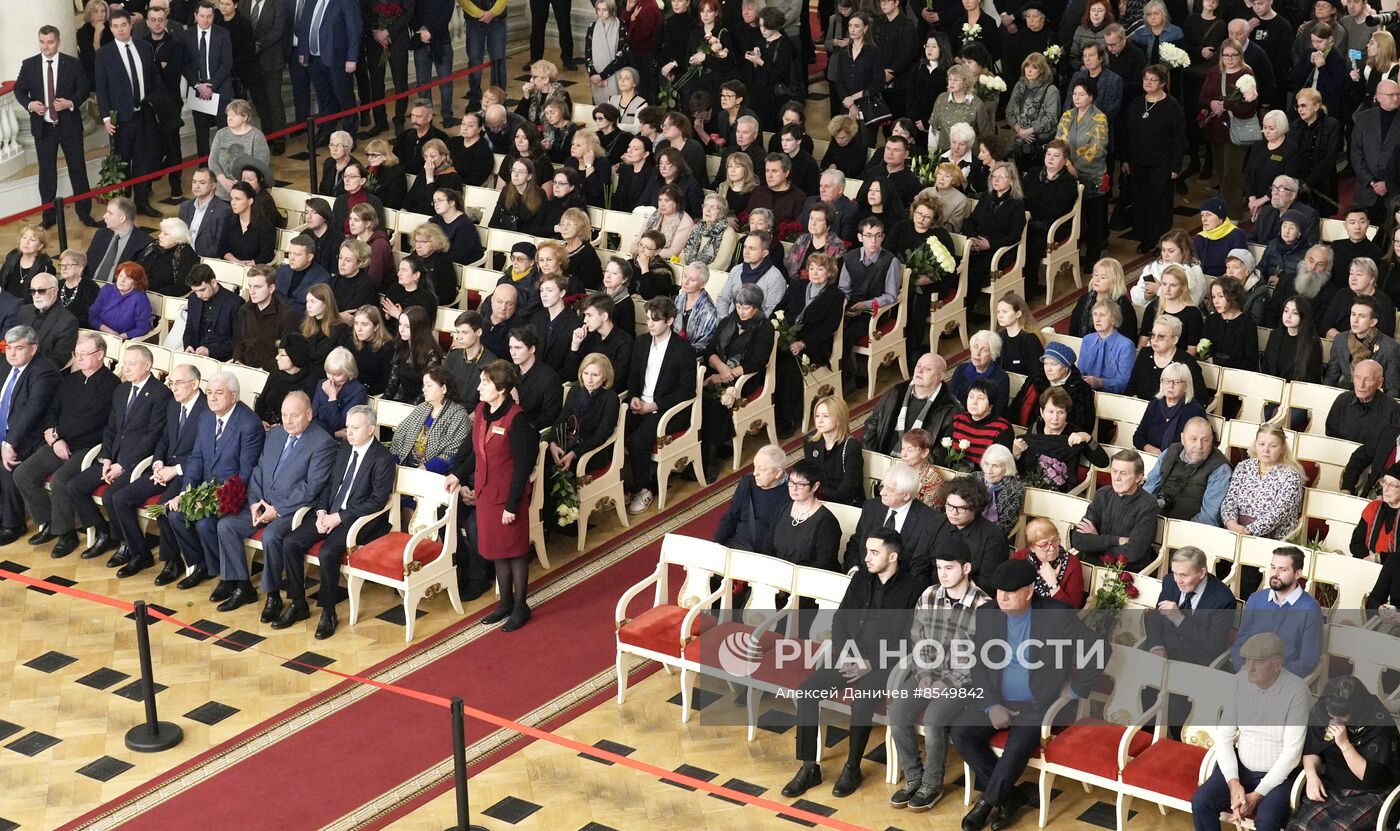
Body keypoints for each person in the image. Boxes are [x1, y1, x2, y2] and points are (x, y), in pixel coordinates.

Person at [952, 558, 1110, 831]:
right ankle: (1010, 797)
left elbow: (1101, 649)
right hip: (998, 698)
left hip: (1037, 704)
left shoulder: (1056, 614)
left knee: (1018, 745)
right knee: (961, 733)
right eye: (1000, 590)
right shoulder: (988, 613)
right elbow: (978, 665)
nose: (1002, 597)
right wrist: (991, 706)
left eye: (1010, 592)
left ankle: (986, 805)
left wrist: (1076, 688)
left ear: (1028, 592)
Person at [780, 527, 921, 800]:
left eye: (874, 552)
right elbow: (841, 619)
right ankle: (809, 766)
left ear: (892, 557)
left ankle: (852, 767)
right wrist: (847, 653)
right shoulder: (860, 580)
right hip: (850, 655)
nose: (866, 558)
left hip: (884, 664)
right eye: (866, 551)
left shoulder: (912, 589)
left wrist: (870, 663)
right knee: (808, 692)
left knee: (862, 701)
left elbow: (909, 642)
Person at [886, 537, 991, 812]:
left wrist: (944, 683)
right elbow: (918, 640)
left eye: (949, 568)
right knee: (897, 712)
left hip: (964, 682)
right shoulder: (929, 595)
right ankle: (914, 778)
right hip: (928, 674)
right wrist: (923, 675)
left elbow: (981, 660)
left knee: (934, 719)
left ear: (966, 568)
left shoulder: (984, 606)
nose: (942, 574)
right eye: (939, 568)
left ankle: (932, 784)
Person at [211, 391, 336, 614]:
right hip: (261, 503)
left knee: (271, 536)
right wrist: (253, 502)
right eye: (284, 415)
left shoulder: (322, 443)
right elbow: (259, 469)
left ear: (309, 414)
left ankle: (273, 596)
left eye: (294, 416)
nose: (287, 421)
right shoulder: (276, 434)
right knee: (226, 525)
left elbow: (312, 487)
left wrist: (277, 510)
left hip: (292, 511)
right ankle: (242, 586)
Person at [447, 360, 538, 631]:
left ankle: (521, 606)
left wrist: (512, 505)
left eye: (485, 383)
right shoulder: (481, 410)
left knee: (516, 552)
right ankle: (505, 603)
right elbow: (477, 454)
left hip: (509, 497)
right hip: (487, 495)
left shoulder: (516, 419)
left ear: (500, 389)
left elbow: (523, 467)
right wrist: (458, 476)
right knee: (499, 551)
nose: (479, 387)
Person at [13, 333, 121, 558]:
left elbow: (93, 420)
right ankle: (49, 522)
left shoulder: (111, 384)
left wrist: (58, 433)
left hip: (89, 446)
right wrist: (55, 438)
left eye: (84, 354)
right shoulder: (71, 379)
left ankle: (67, 533)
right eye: (77, 354)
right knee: (23, 473)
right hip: (58, 443)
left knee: (62, 480)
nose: (79, 358)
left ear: (100, 355)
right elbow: (52, 410)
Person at [1190, 631, 1311, 831]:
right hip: (1242, 767)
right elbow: (1224, 737)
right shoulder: (1240, 681)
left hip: (1279, 776)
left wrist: (1256, 795)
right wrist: (1233, 783)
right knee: (1201, 801)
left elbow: (1292, 754)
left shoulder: (1297, 692)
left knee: (1267, 821)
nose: (1250, 668)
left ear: (1278, 663)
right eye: (1247, 661)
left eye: (1259, 662)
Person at [158, 372, 265, 594]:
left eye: (219, 393)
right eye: (209, 393)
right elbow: (197, 458)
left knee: (205, 523)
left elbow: (246, 474)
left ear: (234, 396)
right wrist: (186, 493)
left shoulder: (249, 424)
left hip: (234, 495)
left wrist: (210, 502)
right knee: (175, 514)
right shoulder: (206, 417)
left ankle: (224, 577)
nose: (212, 398)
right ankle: (203, 565)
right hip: (205, 489)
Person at [14, 26, 98, 229]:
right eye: (42, 42)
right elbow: (19, 89)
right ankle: (49, 216)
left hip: (69, 126)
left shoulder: (72, 64)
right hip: (44, 128)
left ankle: (84, 212)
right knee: (47, 173)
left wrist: (70, 103)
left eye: (50, 42)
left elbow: (85, 88)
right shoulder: (30, 65)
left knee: (78, 169)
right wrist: (30, 105)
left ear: (58, 42)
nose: (45, 46)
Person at [623, 298, 698, 513]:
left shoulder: (683, 350)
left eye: (656, 320)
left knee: (639, 441)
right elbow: (634, 376)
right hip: (641, 405)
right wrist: (634, 397)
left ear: (670, 321)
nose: (650, 324)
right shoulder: (641, 342)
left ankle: (643, 489)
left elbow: (687, 391)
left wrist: (653, 405)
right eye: (648, 319)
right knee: (616, 430)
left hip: (668, 410)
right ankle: (624, 485)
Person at [96, 9, 165, 217]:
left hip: (143, 114)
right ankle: (123, 209)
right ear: (111, 28)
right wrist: (106, 117)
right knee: (123, 163)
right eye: (115, 26)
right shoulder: (104, 54)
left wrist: (153, 102)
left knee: (144, 160)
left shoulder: (144, 47)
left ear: (130, 26)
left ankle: (142, 202)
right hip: (120, 119)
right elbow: (102, 88)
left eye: (123, 25)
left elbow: (154, 77)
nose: (120, 30)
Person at [1121, 64, 1187, 251]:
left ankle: (1161, 240)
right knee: (1141, 200)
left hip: (1162, 163)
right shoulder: (1136, 104)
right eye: (1146, 79)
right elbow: (1127, 133)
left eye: (1153, 79)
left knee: (1160, 202)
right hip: (1138, 161)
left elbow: (1179, 138)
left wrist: (1176, 166)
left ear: (1163, 83)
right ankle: (1145, 237)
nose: (1148, 82)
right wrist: (1125, 159)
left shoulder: (1172, 106)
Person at [1198, 39, 1260, 216]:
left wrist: (1226, 104)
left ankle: (1232, 214)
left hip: (1238, 129)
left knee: (1232, 172)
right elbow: (1201, 98)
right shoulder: (1214, 72)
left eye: (1234, 55)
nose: (1230, 58)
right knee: (1221, 171)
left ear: (1240, 55)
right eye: (1226, 55)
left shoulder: (1247, 74)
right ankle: (1224, 207)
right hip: (1217, 129)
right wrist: (1212, 103)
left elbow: (1250, 105)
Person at [1014, 386, 1111, 492]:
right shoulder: (1034, 429)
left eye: (1060, 412)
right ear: (1042, 412)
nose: (1055, 418)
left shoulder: (1075, 433)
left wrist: (1088, 438)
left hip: (1064, 491)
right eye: (1050, 412)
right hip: (1032, 487)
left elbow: (1103, 462)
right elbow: (1025, 465)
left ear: (1067, 413)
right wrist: (1016, 454)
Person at [1058, 76, 1110, 265]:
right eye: (1075, 94)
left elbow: (1098, 147)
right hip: (1068, 171)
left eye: (1081, 94)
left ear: (1091, 97)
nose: (1077, 97)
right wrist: (1068, 165)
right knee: (1074, 217)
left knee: (1093, 218)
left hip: (1092, 174)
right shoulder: (1067, 115)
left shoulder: (1099, 118)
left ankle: (1093, 257)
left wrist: (1077, 167)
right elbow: (1059, 143)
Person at [864, 353, 957, 456]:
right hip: (884, 458)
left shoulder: (950, 408)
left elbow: (941, 451)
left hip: (918, 467)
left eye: (928, 369)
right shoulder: (896, 393)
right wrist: (873, 456)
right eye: (919, 366)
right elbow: (872, 424)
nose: (920, 371)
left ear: (941, 376)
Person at [708, 444, 791, 553]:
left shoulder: (790, 494)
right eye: (754, 466)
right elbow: (730, 517)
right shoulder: (747, 482)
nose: (755, 473)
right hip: (736, 546)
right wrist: (716, 545)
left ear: (778, 473)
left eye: (762, 469)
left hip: (764, 555)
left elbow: (783, 537)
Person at [296, 0, 361, 138]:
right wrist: (303, 51)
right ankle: (326, 132)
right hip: (314, 59)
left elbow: (354, 29)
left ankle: (350, 135)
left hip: (338, 59)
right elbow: (304, 27)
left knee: (344, 97)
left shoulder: (345, 2)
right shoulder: (310, 2)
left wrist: (352, 58)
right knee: (324, 97)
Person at [388, 367, 469, 474]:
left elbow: (451, 453)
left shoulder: (458, 415)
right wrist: (395, 462)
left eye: (429, 385)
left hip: (433, 474)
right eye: (424, 385)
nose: (423, 389)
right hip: (405, 466)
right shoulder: (422, 407)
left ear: (443, 389)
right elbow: (400, 435)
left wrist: (423, 469)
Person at [182, 3, 235, 159]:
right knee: (201, 133)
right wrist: (198, 86)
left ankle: (226, 165)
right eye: (202, 16)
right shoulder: (186, 36)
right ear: (195, 16)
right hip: (197, 90)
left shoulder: (223, 34)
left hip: (220, 88)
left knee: (224, 131)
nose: (205, 20)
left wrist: (211, 86)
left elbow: (227, 63)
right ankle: (204, 166)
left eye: (209, 16)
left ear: (213, 16)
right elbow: (184, 65)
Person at [1324, 296, 1400, 393]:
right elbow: (1331, 377)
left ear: (1373, 322)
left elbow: (1393, 389)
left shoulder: (1390, 347)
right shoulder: (1340, 340)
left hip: (1375, 399)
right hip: (1345, 396)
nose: (1355, 320)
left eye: (1362, 316)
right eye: (1353, 314)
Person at [803, 395, 865, 508]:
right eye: (817, 416)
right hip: (819, 501)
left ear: (839, 419)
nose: (819, 420)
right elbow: (810, 476)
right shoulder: (810, 442)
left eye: (825, 416)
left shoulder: (851, 447)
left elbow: (847, 489)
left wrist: (819, 499)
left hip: (846, 505)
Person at [1352, 80, 1400, 224]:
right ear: (1378, 97)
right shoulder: (1363, 118)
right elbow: (1356, 154)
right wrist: (1371, 182)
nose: (1396, 98)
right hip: (1366, 191)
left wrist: (1388, 184)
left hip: (1395, 192)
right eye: (1391, 95)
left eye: (1398, 94)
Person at [1011, 516, 1086, 607]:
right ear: (1031, 547)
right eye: (1044, 544)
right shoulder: (1019, 558)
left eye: (1055, 541)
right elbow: (1005, 593)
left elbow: (1072, 610)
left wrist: (1053, 584)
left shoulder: (1072, 564)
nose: (1052, 548)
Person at [1136, 363, 1208, 453]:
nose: (1171, 386)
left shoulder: (1194, 411)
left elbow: (1199, 445)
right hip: (1151, 456)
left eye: (1177, 382)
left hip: (1178, 462)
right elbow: (1138, 437)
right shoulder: (1154, 404)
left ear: (1186, 386)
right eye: (1167, 381)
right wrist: (1152, 449)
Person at [1327, 360, 1400, 445]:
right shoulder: (1342, 400)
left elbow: (1392, 448)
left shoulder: (1393, 410)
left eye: (1368, 379)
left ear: (1379, 383)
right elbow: (1331, 435)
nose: (1361, 385)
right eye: (1358, 377)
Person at [1323, 257, 1397, 340]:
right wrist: (1343, 341)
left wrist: (1355, 344)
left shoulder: (1384, 302)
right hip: (1339, 344)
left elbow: (1385, 338)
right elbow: (1325, 325)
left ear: (1372, 279)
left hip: (1370, 350)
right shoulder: (1342, 294)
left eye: (1359, 274)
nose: (1353, 278)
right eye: (1351, 273)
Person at [567, 294, 632, 387]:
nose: (585, 320)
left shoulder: (624, 342)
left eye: (589, 315)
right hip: (584, 389)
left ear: (604, 316)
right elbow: (571, 374)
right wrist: (575, 345)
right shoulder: (589, 335)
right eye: (585, 315)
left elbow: (617, 380)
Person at [84, 198, 155, 284]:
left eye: (110, 213)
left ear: (122, 218)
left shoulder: (143, 243)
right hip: (91, 288)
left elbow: (137, 278)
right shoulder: (101, 234)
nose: (104, 216)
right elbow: (88, 262)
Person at [1263, 295, 1324, 388]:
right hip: (1272, 388)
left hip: (1299, 392)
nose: (1288, 316)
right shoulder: (1275, 335)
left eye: (1295, 313)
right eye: (1286, 311)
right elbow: (1266, 366)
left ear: (1303, 316)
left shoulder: (1312, 343)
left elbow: (1313, 378)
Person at [181, 266, 240, 360]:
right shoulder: (193, 299)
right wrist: (188, 345)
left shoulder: (235, 303)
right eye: (195, 291)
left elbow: (238, 341)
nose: (199, 295)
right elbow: (190, 329)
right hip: (196, 355)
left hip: (223, 359)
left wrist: (210, 351)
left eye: (202, 290)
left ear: (213, 283)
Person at [16, 273, 78, 363]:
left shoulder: (68, 321)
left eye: (41, 291)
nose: (36, 295)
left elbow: (59, 359)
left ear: (54, 291)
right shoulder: (24, 310)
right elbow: (10, 340)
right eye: (33, 291)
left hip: (39, 371)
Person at [1078, 299, 1136, 395]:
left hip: (1113, 397)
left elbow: (1124, 382)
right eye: (1095, 314)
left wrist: (1101, 383)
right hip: (1086, 392)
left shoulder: (1126, 345)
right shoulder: (1087, 340)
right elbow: (1080, 371)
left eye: (1103, 315)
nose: (1097, 319)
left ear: (1113, 320)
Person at [1070, 258, 1137, 339]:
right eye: (1096, 275)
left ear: (1114, 281)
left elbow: (1128, 338)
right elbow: (1073, 330)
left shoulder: (1123, 306)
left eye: (1103, 277)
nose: (1097, 280)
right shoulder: (1084, 299)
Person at [89, 262, 153, 340]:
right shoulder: (107, 289)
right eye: (121, 276)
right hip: (100, 335)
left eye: (128, 278)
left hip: (126, 341)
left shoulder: (140, 298)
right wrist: (110, 332)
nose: (122, 280)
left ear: (136, 282)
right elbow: (92, 316)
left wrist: (120, 337)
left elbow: (143, 327)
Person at [219, 182, 276, 265]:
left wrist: (249, 264)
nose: (233, 203)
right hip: (232, 266)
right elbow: (222, 248)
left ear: (250, 201)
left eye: (237, 199)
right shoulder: (229, 219)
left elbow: (266, 255)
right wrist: (236, 262)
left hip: (255, 269)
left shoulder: (265, 225)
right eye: (232, 198)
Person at [1352, 464, 1400, 561]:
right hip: (1367, 564)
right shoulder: (1373, 507)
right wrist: (1368, 559)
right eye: (1384, 482)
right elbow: (1355, 544)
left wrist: (1378, 558)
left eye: (1393, 485)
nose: (1386, 489)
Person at [0, 226, 53, 300]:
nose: (26, 242)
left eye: (32, 240)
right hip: (4, 301)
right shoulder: (12, 256)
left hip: (27, 307)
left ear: (40, 246)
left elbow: (41, 296)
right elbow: (2, 280)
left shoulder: (44, 267)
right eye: (24, 237)